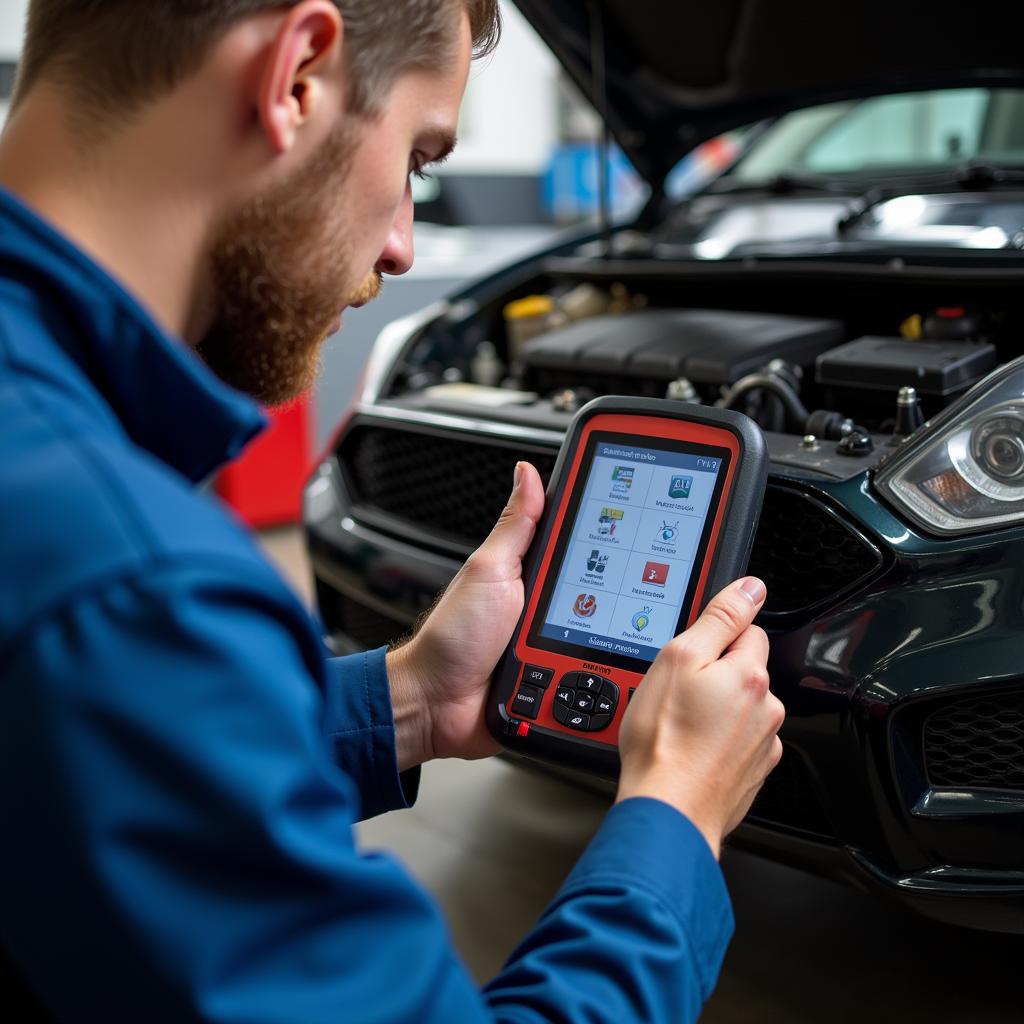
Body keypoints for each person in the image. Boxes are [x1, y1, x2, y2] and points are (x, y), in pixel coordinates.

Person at [0, 1, 785, 1021]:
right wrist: (672, 816)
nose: (405, 245)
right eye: (417, 157)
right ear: (297, 75)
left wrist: (412, 698)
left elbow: (90, 769)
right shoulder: (131, 587)